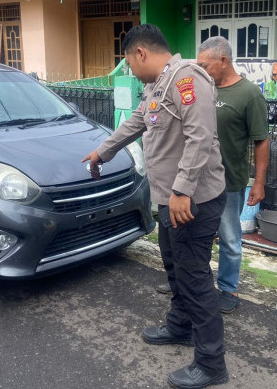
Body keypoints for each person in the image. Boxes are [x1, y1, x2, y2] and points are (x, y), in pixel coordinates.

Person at [82, 24, 229, 389]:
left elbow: (200, 137)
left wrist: (182, 189)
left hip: (192, 201)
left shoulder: (187, 80)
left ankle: (211, 363)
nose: (131, 71)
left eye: (129, 64)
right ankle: (180, 326)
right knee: (175, 268)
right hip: (169, 200)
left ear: (141, 53)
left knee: (194, 278)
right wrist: (103, 151)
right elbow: (137, 122)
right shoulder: (157, 86)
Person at [195, 36, 270, 313]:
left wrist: (258, 183)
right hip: (197, 180)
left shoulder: (249, 94)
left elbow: (262, 140)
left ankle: (228, 288)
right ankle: (194, 282)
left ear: (223, 61)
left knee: (229, 238)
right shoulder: (203, 90)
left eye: (205, 65)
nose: (201, 71)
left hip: (229, 182)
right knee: (197, 236)